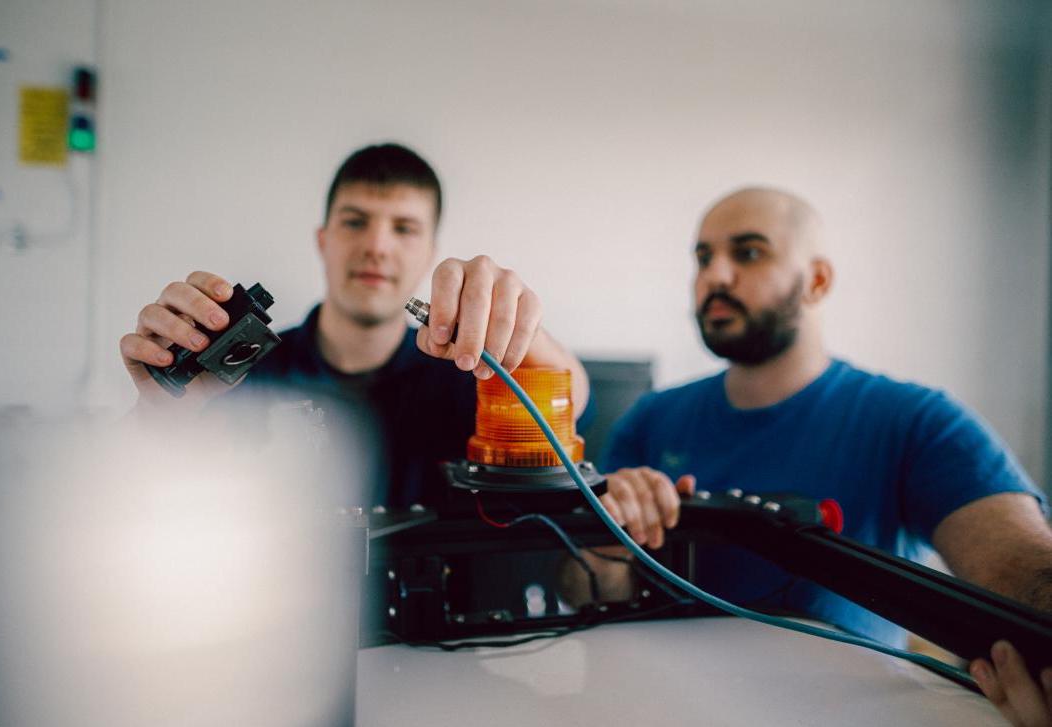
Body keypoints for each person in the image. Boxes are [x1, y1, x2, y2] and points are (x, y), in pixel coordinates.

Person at [563, 187, 1052, 726]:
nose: (715, 276)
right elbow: (582, 590)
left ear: (817, 280)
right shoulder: (650, 419)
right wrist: (607, 552)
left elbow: (1020, 569)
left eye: (748, 253)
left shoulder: (913, 419)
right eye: (703, 258)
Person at [119, 142, 589, 508]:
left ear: (429, 251)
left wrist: (527, 334)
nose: (377, 246)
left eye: (403, 228)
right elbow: (139, 489)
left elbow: (572, 400)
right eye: (355, 221)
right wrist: (164, 412)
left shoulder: (465, 375)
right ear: (323, 241)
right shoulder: (236, 374)